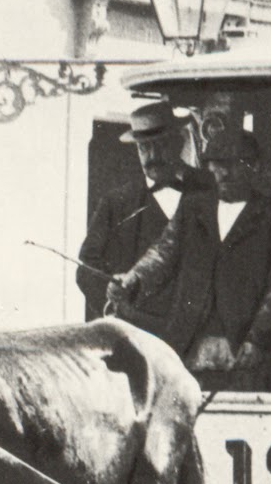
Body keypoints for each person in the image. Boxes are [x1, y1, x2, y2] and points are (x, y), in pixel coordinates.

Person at [107, 127, 271, 391]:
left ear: (255, 167)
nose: (223, 174)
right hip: (189, 342)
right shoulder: (194, 206)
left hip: (244, 347)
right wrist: (133, 277)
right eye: (216, 166)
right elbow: (163, 252)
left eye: (233, 166)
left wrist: (258, 339)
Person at [76, 100, 211, 334]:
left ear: (178, 142)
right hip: (137, 329)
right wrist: (114, 304)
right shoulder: (116, 202)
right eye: (143, 148)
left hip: (199, 328)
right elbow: (87, 268)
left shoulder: (208, 188)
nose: (152, 156)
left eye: (160, 145)